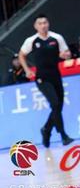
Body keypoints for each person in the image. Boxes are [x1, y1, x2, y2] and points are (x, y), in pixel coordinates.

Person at [17, 15, 74, 147]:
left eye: (45, 23)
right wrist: (27, 70)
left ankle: (46, 129)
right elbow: (21, 55)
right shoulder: (31, 40)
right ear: (35, 26)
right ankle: (63, 135)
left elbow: (66, 53)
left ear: (48, 24)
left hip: (56, 76)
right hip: (42, 78)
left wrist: (65, 55)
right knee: (55, 103)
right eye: (40, 23)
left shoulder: (57, 38)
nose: (43, 25)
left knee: (58, 106)